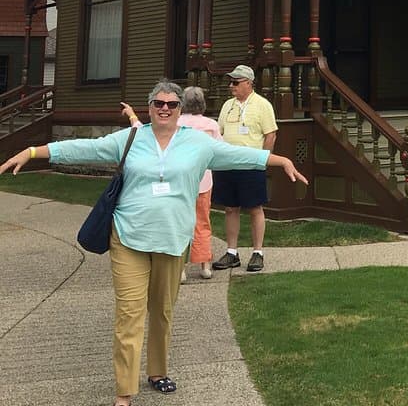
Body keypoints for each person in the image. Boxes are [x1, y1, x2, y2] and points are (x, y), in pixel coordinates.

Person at [0, 79, 307, 406]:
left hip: (173, 240)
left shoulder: (198, 144)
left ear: (179, 109)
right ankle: (124, 392)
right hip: (128, 237)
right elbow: (83, 148)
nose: (164, 109)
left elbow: (238, 156)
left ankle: (158, 371)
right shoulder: (130, 138)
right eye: (158, 103)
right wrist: (33, 152)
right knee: (129, 314)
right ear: (149, 108)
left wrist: (280, 161)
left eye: (171, 104)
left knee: (162, 311)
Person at [121, 85, 221, 283]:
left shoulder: (176, 122)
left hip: (177, 183)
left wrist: (132, 115)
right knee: (202, 222)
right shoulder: (211, 125)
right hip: (203, 183)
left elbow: (142, 131)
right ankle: (205, 266)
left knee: (179, 223)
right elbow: (219, 150)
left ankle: (180, 268)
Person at [212, 64, 278, 273]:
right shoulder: (227, 106)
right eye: (231, 82)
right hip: (227, 165)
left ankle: (258, 252)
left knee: (255, 208)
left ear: (249, 83)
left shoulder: (262, 105)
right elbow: (219, 132)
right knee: (231, 208)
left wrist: (262, 160)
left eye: (236, 82)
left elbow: (270, 135)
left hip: (251, 165)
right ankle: (232, 252)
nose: (231, 86)